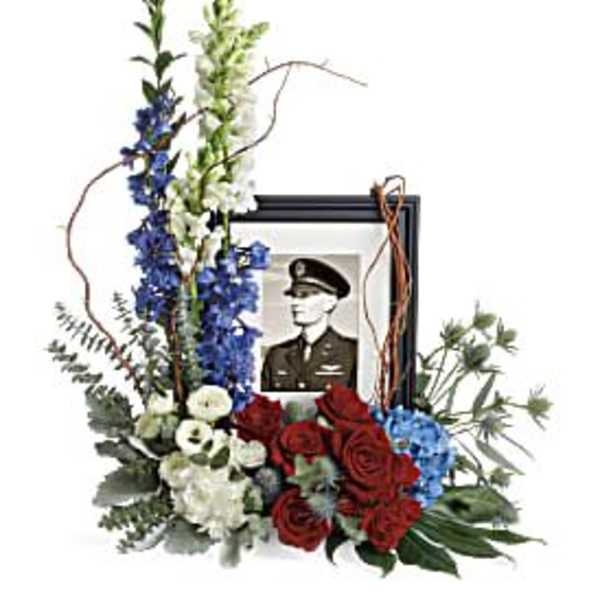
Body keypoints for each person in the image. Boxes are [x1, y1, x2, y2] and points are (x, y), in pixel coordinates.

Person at [261, 257, 358, 392]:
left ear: (329, 303)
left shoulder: (351, 353)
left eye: (304, 295)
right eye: (294, 295)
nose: (295, 303)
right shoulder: (277, 355)